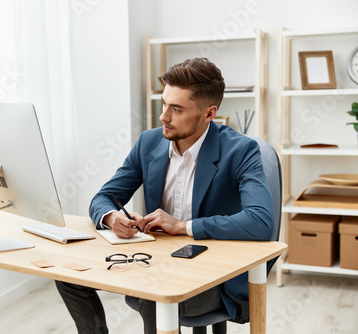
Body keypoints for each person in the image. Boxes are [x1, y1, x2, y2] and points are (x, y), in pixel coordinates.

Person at [55, 58, 274, 334]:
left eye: (176, 109)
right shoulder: (149, 142)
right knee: (67, 274)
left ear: (209, 113)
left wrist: (182, 227)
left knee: (153, 294)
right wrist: (112, 218)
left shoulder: (241, 150)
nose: (163, 116)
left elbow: (260, 221)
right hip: (156, 262)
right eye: (163, 104)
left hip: (216, 278)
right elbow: (104, 197)